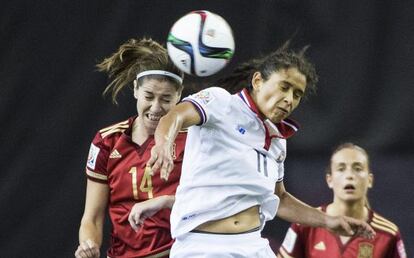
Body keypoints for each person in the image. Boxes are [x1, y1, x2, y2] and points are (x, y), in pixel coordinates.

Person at [144, 42, 376, 257]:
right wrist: (164, 143)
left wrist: (327, 221)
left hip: (253, 245)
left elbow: (280, 198)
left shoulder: (277, 140)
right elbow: (175, 116)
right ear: (257, 81)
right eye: (284, 87)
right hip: (203, 246)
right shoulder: (221, 103)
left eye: (297, 94)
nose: (289, 99)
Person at [75, 38, 186, 258]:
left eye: (166, 99)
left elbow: (209, 205)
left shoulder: (193, 140)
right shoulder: (107, 141)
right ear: (135, 89)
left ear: (179, 96)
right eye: (149, 96)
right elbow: (93, 216)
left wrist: (165, 202)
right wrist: (90, 246)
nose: (156, 108)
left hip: (178, 252)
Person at [277, 142, 407, 258]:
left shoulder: (387, 234)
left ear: (370, 180)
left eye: (358, 169)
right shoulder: (304, 224)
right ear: (330, 180)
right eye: (341, 169)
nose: (349, 175)